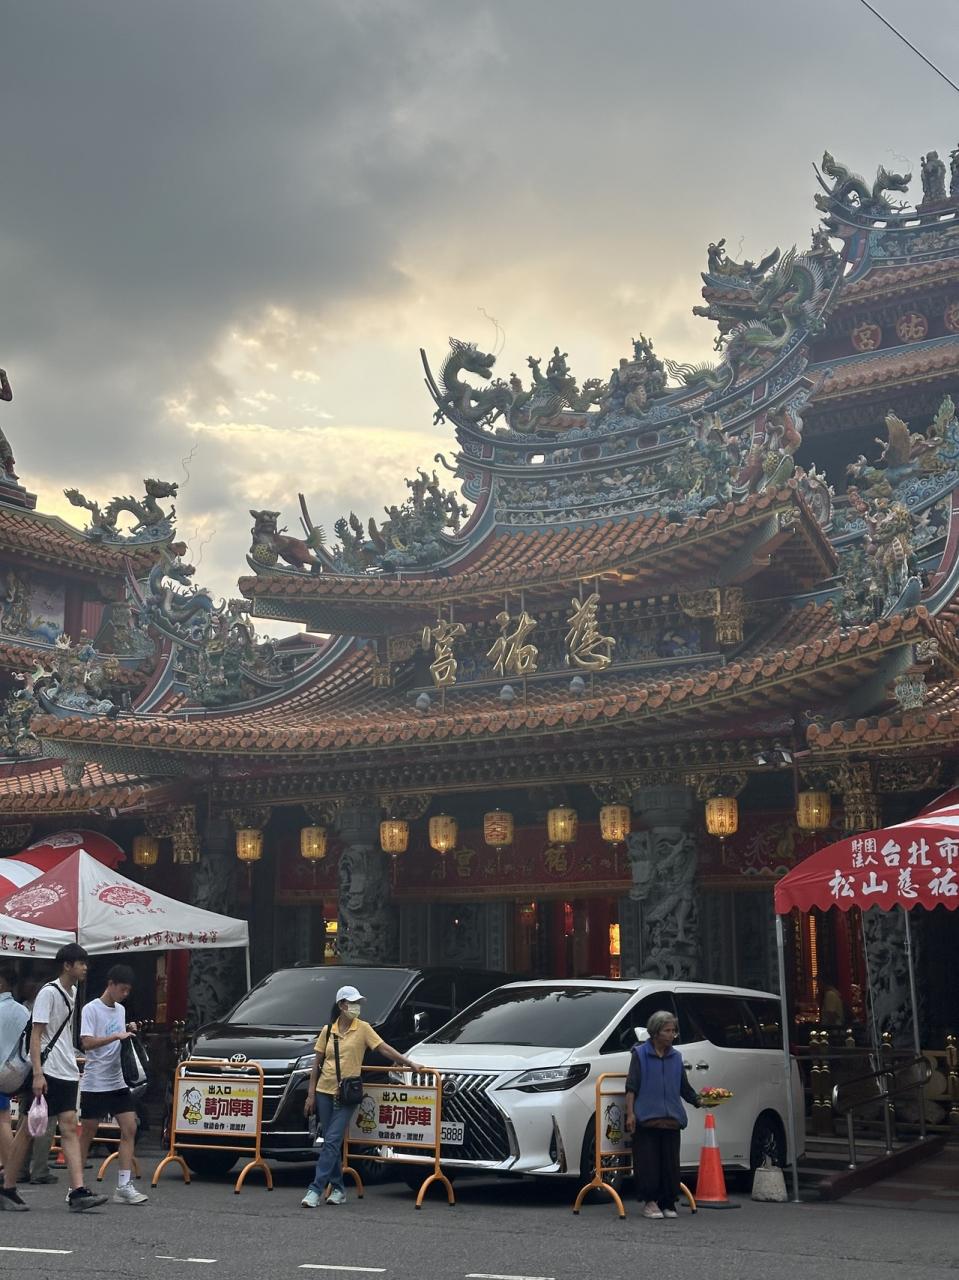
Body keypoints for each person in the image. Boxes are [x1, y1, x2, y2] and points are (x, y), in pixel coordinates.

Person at [0, 944, 108, 1212]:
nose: (85, 967)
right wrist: (37, 1074)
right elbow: (36, 1035)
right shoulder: (49, 993)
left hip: (65, 1069)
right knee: (28, 1130)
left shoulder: (72, 992)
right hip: (48, 1070)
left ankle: (77, 1191)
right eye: (80, 963)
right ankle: (7, 1187)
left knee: (68, 1126)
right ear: (67, 966)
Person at [301, 984, 423, 1207]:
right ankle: (338, 1188)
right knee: (330, 1142)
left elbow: (384, 1048)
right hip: (324, 1091)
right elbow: (316, 1065)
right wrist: (311, 1095)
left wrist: (408, 1063)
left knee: (332, 1140)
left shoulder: (363, 1028)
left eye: (358, 1003)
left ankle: (315, 1189)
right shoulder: (328, 1030)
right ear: (341, 1005)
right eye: (353, 1003)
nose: (357, 1007)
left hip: (348, 1093)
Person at [78, 964, 147, 1205]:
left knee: (130, 1128)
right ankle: (76, 1186)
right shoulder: (91, 1009)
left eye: (128, 991)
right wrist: (115, 1036)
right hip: (95, 1081)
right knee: (87, 1133)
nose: (125, 994)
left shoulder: (120, 1010)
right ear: (111, 984)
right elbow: (87, 1043)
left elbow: (117, 1037)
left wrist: (126, 1030)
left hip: (117, 1080)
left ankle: (124, 1185)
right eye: (122, 989)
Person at [624, 1009, 700, 1220]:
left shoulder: (676, 1057)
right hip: (647, 1119)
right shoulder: (640, 1054)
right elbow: (631, 1087)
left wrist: (699, 1100)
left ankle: (668, 1202)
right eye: (667, 1030)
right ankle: (650, 1202)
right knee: (648, 1164)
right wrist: (630, 1114)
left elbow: (684, 1088)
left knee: (670, 1165)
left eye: (673, 1031)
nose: (672, 1035)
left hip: (672, 1119)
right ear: (655, 1032)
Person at [16, 977, 58, 1185]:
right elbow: (37, 1038)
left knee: (26, 1119)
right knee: (45, 1120)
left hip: (26, 1069)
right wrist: (39, 1073)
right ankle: (39, 1170)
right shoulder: (42, 1013)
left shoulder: (25, 1011)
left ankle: (19, 1169)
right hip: (43, 1068)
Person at [0, 966, 29, 1179]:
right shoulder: (23, 1011)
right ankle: (7, 1165)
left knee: (2, 1120)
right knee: (3, 1118)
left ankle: (9, 1166)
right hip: (13, 1072)